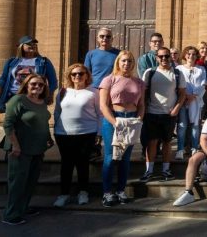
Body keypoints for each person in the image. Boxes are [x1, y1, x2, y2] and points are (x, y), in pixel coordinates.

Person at [2, 74, 53, 225]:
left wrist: (48, 138)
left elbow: (43, 122)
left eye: (41, 85)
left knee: (30, 181)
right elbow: (8, 124)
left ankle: (22, 207)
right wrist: (15, 145)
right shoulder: (18, 100)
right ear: (26, 85)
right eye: (33, 84)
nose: (37, 87)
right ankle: (10, 215)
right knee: (17, 183)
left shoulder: (42, 102)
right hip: (20, 149)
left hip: (38, 148)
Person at [99, 50, 145, 207]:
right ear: (118, 62)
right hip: (114, 119)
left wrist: (139, 119)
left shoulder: (139, 82)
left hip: (132, 120)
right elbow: (103, 105)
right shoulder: (109, 79)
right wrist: (114, 122)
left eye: (130, 61)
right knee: (111, 157)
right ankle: (107, 192)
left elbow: (142, 104)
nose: (126, 63)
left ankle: (120, 190)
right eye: (124, 60)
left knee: (125, 158)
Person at [53, 64, 100, 207]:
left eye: (80, 73)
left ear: (86, 75)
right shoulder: (63, 92)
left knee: (82, 163)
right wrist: (56, 128)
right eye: (74, 74)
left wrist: (99, 133)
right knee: (66, 164)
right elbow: (57, 111)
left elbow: (100, 114)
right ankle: (64, 194)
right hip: (63, 134)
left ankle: (83, 192)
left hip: (87, 133)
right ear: (70, 76)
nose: (77, 76)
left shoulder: (93, 92)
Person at [139, 47, 186, 182]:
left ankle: (166, 170)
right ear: (156, 58)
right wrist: (143, 109)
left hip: (169, 114)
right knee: (151, 142)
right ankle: (149, 171)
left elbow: (182, 93)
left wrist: (176, 108)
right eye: (161, 56)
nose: (164, 58)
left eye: (166, 56)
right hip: (152, 113)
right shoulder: (150, 72)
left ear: (170, 57)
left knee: (167, 142)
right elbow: (143, 93)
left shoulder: (177, 73)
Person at [0, 36, 58, 113]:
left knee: (31, 118)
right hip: (13, 96)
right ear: (21, 46)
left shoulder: (43, 61)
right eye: (29, 44)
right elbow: (3, 79)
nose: (32, 45)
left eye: (34, 44)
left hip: (34, 97)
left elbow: (53, 82)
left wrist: (49, 95)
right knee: (13, 119)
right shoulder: (12, 61)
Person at [175, 46, 206, 158]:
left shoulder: (201, 69)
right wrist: (186, 96)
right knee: (182, 125)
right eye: (189, 54)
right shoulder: (179, 68)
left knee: (195, 126)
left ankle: (194, 148)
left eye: (193, 54)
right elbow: (176, 84)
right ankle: (180, 149)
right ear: (185, 55)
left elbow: (203, 84)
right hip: (182, 100)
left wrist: (192, 96)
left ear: (196, 56)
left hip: (196, 101)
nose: (191, 56)